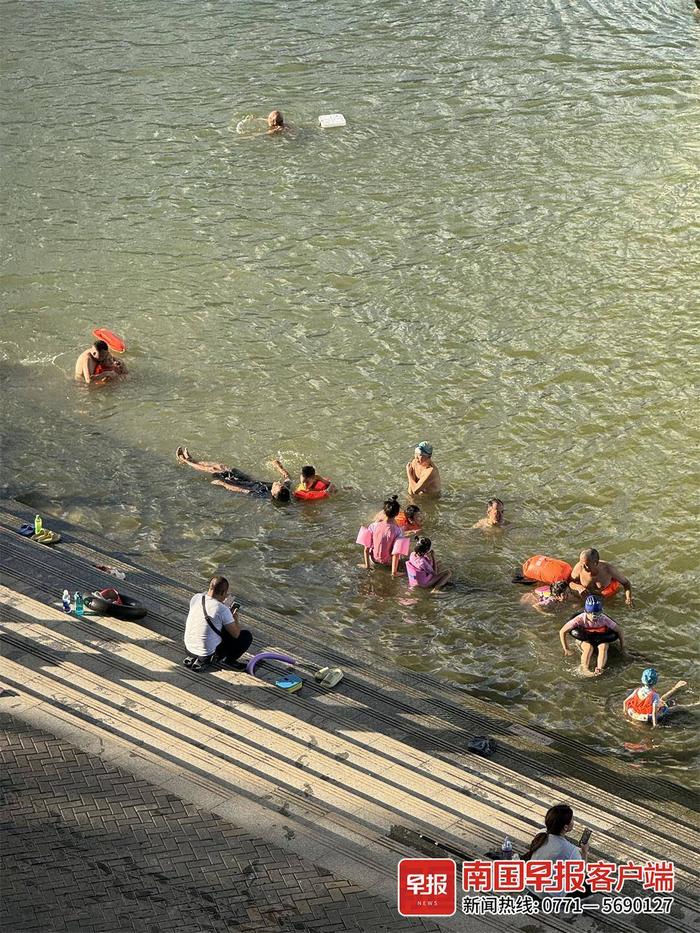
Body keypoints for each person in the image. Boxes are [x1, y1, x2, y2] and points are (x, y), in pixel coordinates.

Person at [183, 575, 252, 671]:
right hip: (206, 655)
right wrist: (235, 617)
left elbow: (209, 610)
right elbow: (236, 634)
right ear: (224, 592)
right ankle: (229, 661)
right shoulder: (223, 610)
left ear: (210, 587)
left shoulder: (196, 597)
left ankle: (195, 657)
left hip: (188, 649)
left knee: (217, 625)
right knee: (246, 636)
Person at [523, 804, 590, 898]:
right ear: (565, 827)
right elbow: (581, 876)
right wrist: (584, 853)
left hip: (531, 886)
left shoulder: (541, 834)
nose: (573, 822)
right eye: (571, 819)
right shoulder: (571, 850)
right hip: (551, 895)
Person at [176, 447, 291, 502]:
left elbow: (240, 490)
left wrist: (222, 484)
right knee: (221, 466)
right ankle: (192, 460)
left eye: (278, 485)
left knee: (213, 469)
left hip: (237, 482)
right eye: (281, 485)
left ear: (273, 493)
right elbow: (288, 478)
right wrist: (279, 467)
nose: (278, 483)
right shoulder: (285, 489)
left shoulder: (261, 494)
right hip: (247, 479)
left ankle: (185, 461)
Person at [559, 595, 624, 677]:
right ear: (586, 611)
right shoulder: (580, 619)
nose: (595, 617)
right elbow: (562, 631)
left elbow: (619, 630)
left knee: (603, 646)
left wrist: (622, 647)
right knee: (588, 647)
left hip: (601, 639)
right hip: (585, 639)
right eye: (592, 614)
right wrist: (566, 648)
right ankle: (584, 669)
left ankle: (599, 669)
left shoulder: (604, 619)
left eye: (597, 613)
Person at [623, 669, 695, 727]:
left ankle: (676, 688)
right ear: (655, 682)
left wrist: (625, 713)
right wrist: (655, 724)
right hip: (648, 714)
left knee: (661, 700)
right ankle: (695, 703)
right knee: (676, 707)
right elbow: (654, 712)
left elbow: (625, 702)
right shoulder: (654, 695)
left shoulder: (637, 690)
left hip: (636, 711)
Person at [363, 496, 405, 576]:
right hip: (388, 562)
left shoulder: (373, 526)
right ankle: (394, 571)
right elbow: (396, 554)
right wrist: (394, 573)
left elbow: (366, 548)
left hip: (373, 560)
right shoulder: (398, 531)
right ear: (397, 514)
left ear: (384, 512)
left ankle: (368, 566)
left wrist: (367, 566)